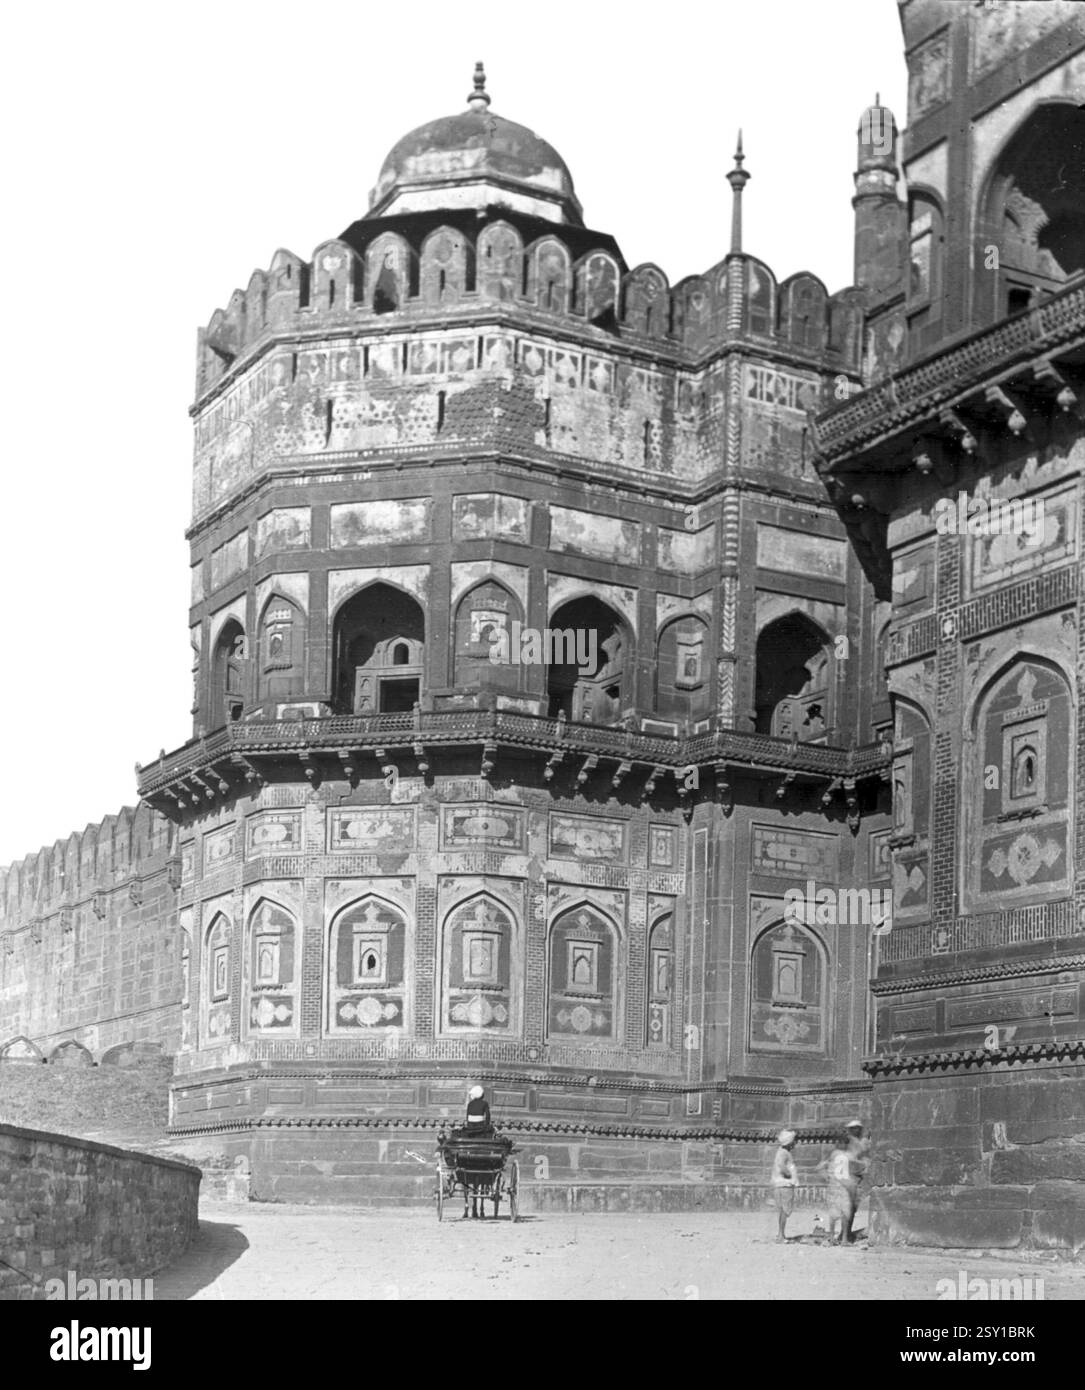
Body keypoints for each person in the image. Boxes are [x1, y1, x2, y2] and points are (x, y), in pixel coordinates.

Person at [843, 1119, 871, 1244]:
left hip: (855, 1179)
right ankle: (844, 1236)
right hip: (851, 1179)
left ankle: (846, 1234)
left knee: (852, 1209)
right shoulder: (851, 1143)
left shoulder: (857, 1142)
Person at [771, 1129, 798, 1243]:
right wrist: (789, 1175)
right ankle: (781, 1236)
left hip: (781, 1184)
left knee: (782, 1210)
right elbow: (781, 1165)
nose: (795, 1143)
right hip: (785, 1185)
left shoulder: (781, 1151)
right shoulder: (784, 1152)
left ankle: (780, 1234)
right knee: (785, 1210)